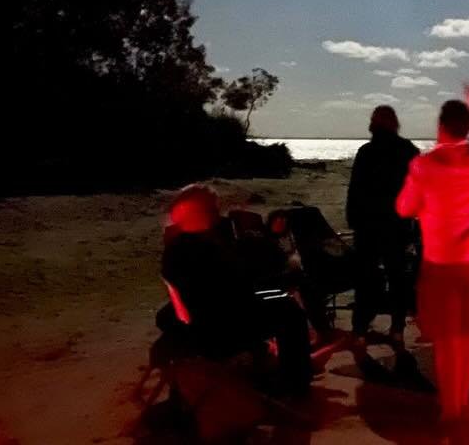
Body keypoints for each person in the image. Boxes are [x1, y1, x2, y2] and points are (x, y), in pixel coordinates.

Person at [395, 83, 469, 425]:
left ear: (440, 126)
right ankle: (463, 404)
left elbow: (404, 207)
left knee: (445, 339)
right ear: (465, 127)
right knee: (468, 336)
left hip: (440, 263)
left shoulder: (424, 165)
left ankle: (449, 406)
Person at [158, 184, 313, 394]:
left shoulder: (175, 250)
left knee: (273, 300)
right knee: (289, 310)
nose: (218, 214)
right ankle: (295, 384)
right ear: (204, 213)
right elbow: (241, 288)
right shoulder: (210, 251)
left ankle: (264, 363)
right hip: (219, 333)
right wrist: (272, 251)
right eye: (214, 209)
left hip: (198, 324)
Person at [346, 104, 420, 379]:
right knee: (398, 277)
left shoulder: (366, 152)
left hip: (368, 226)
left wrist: (353, 221)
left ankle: (360, 331)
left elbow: (355, 191)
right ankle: (397, 329)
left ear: (373, 125)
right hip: (396, 226)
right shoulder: (408, 151)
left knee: (365, 280)